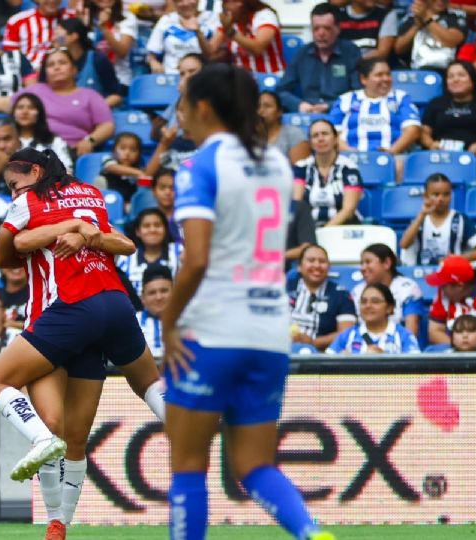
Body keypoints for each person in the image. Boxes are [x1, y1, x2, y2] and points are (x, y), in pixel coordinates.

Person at [158, 63, 334, 540]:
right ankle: (311, 533)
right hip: (270, 331)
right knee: (255, 466)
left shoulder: (200, 165)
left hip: (211, 330)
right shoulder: (278, 163)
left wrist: (168, 323)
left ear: (204, 107)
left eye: (183, 106)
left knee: (188, 467)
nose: (180, 118)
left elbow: (195, 260)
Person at [0, 147, 166, 536]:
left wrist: (65, 231)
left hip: (61, 315)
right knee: (80, 435)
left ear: (34, 171)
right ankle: (59, 524)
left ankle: (50, 499)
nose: (14, 192)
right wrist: (80, 230)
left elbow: (6, 251)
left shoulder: (28, 201)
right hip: (114, 303)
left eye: (15, 183)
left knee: (12, 399)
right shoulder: (91, 194)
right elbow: (124, 245)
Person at [10, 48, 115, 155]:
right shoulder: (35, 90)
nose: (57, 67)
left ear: (74, 69)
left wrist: (90, 141)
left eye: (62, 63)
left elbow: (107, 125)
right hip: (35, 149)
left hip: (73, 151)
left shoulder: (90, 95)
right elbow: (8, 103)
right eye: (51, 65)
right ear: (45, 73)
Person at [277, 3, 361, 113]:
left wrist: (330, 106)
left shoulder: (350, 52)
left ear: (338, 29)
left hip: (339, 112)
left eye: (327, 28)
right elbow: (281, 90)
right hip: (307, 112)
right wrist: (299, 105)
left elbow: (358, 92)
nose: (320, 33)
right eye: (316, 28)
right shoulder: (302, 54)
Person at [330, 58, 421, 155]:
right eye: (379, 75)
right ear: (363, 79)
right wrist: (350, 152)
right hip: (350, 156)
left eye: (388, 74)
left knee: (400, 164)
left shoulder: (401, 97)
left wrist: (391, 153)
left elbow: (413, 130)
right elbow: (332, 133)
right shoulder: (346, 99)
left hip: (393, 157)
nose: (386, 79)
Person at [400, 173, 476, 266]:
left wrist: (459, 258)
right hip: (423, 273)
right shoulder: (420, 220)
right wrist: (422, 215)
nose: (441, 199)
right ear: (426, 196)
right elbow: (404, 245)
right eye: (436, 194)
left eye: (446, 194)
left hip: (453, 273)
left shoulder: (460, 220)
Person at [420, 60, 476, 155]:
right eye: (450, 76)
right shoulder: (436, 103)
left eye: (461, 75)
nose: (455, 80)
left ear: (472, 80)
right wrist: (431, 144)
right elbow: (424, 132)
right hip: (440, 154)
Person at [289, 119, 362, 229]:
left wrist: (324, 231)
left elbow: (348, 209)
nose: (320, 139)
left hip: (343, 226)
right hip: (308, 227)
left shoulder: (349, 168)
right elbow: (297, 204)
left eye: (325, 134)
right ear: (310, 143)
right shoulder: (301, 167)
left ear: (335, 138)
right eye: (315, 136)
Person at [290, 244, 357, 351]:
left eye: (322, 261)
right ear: (299, 266)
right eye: (311, 260)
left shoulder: (341, 294)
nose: (317, 265)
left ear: (329, 267)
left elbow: (347, 333)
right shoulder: (286, 288)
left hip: (320, 356)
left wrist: (312, 342)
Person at [352, 243, 424, 335]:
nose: (363, 268)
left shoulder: (407, 288)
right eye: (361, 263)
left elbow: (411, 332)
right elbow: (350, 330)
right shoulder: (357, 291)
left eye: (368, 262)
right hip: (363, 345)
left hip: (399, 345)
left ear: (387, 263)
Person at [328, 283, 421, 354]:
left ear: (389, 308)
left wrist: (384, 360)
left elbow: (416, 371)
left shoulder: (403, 336)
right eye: (363, 302)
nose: (368, 306)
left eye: (375, 301)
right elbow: (324, 366)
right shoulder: (348, 335)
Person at [56, 18, 126, 107]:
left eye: (58, 33)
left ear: (74, 36)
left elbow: (117, 95)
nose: (55, 37)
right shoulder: (57, 62)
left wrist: (95, 109)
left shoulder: (98, 60)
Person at [207, 0, 286, 75]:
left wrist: (231, 31)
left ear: (241, 3)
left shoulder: (264, 15)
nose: (224, 5)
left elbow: (258, 49)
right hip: (240, 78)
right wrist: (198, 31)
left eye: (227, 1)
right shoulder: (229, 21)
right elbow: (210, 51)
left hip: (269, 76)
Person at [117, 208, 181, 294]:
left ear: (165, 229)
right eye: (146, 226)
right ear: (138, 232)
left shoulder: (180, 252)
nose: (152, 230)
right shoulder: (125, 259)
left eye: (157, 225)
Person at [145, 0, 218, 74]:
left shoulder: (211, 19)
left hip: (202, 76)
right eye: (179, 1)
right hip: (171, 75)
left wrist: (198, 32)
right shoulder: (167, 20)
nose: (185, 3)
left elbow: (212, 55)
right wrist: (154, 63)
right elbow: (151, 54)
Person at [394, 0, 468, 72]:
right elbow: (399, 49)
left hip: (446, 71)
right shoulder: (412, 18)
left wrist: (427, 18)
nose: (440, 1)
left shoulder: (455, 16)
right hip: (417, 71)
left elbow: (452, 41)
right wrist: (417, 26)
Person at [3, 0, 75, 70]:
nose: (52, 1)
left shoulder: (72, 17)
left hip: (66, 72)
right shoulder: (17, 22)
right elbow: (11, 57)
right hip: (31, 76)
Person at [10, 94, 74, 173]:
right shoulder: (4, 141)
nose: (25, 112)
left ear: (39, 113)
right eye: (20, 107)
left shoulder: (54, 141)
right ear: (13, 113)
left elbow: (67, 171)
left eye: (31, 108)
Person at [86, 0, 138, 87]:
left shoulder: (127, 18)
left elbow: (122, 52)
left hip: (119, 79)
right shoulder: (86, 18)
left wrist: (104, 28)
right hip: (91, 80)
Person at [136, 265, 173, 356]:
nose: (159, 297)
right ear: (143, 298)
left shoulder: (188, 321)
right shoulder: (132, 322)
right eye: (152, 293)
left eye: (164, 291)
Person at [258, 91, 305, 160]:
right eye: (257, 106)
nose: (261, 111)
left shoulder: (294, 134)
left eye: (267, 106)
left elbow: (300, 169)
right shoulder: (247, 136)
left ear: (279, 112)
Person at [99, 132, 145, 202]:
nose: (127, 153)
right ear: (114, 150)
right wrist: (138, 173)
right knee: (100, 180)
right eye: (123, 148)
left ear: (139, 154)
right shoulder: (108, 159)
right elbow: (111, 167)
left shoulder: (140, 167)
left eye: (133, 150)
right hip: (107, 199)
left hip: (128, 202)